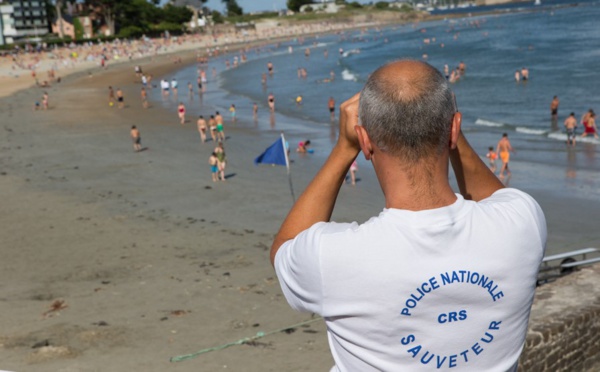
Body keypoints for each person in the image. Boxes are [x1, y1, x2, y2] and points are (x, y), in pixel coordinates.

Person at [270, 60, 546, 371]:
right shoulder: (524, 223)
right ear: (455, 128)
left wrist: (344, 149)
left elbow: (286, 246)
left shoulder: (333, 257)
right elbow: (498, 198)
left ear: (365, 140)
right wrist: (450, 130)